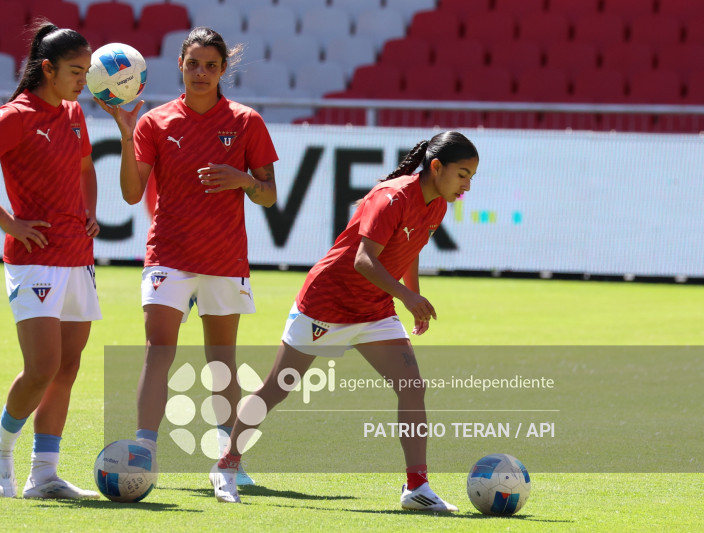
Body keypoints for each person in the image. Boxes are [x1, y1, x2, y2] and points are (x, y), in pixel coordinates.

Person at [210, 131, 480, 510]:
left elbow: (410, 249)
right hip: (326, 303)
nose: (467, 186)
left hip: (374, 309)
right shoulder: (392, 197)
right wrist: (408, 296)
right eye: (463, 175)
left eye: (471, 178)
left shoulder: (436, 205)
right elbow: (363, 260)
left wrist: (410, 298)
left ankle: (417, 488)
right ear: (436, 167)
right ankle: (226, 465)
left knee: (412, 387)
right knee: (277, 388)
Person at [95, 27, 278, 486]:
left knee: (222, 360)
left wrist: (242, 180)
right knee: (159, 351)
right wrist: (125, 131)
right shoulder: (155, 122)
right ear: (180, 64)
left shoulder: (246, 121)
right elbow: (131, 193)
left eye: (211, 66)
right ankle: (144, 452)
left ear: (223, 70)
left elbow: (269, 196)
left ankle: (230, 460)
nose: (201, 73)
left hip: (224, 258)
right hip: (168, 255)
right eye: (193, 63)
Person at [0, 22, 101, 499]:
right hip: (34, 259)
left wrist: (90, 211)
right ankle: (1, 450)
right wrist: (8, 221)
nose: (83, 80)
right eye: (76, 71)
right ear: (48, 68)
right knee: (41, 367)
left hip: (78, 256)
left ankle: (45, 475)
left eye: (87, 71)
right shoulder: (15, 115)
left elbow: (83, 169)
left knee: (67, 369)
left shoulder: (75, 113)